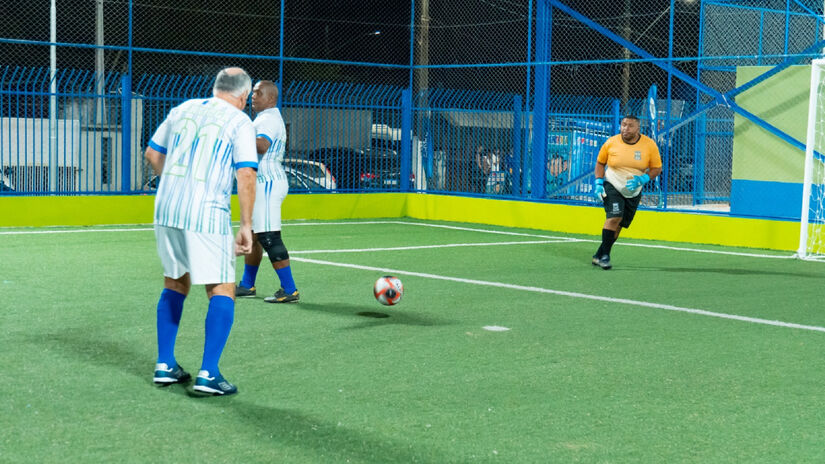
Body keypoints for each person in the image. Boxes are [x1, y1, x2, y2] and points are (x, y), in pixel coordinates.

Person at [144, 67, 258, 396]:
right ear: (244, 96)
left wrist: (175, 184)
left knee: (176, 281)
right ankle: (209, 373)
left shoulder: (182, 109)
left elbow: (153, 153)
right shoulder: (240, 122)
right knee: (221, 288)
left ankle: (165, 364)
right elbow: (246, 174)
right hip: (206, 211)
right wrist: (246, 225)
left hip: (167, 207)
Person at [235, 80, 300, 303]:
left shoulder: (269, 118)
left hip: (267, 182)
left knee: (269, 236)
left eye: (258, 93)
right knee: (254, 236)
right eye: (252, 93)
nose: (253, 96)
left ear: (271, 98)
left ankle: (289, 290)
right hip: (260, 183)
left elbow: (262, 145)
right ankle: (246, 285)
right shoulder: (264, 118)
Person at [591, 115, 662, 270]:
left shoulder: (649, 145)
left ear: (638, 129)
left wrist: (643, 179)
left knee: (620, 223)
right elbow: (600, 163)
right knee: (614, 216)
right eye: (623, 125)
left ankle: (599, 254)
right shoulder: (611, 142)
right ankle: (605, 256)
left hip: (633, 189)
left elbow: (657, 168)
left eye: (630, 126)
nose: (625, 128)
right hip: (613, 184)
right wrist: (598, 183)